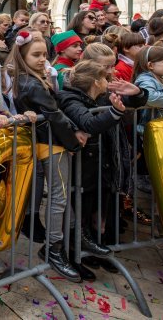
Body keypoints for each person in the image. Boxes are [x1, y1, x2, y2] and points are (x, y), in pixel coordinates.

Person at [9, 34, 87, 282]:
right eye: (36, 55)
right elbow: (54, 115)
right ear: (22, 56)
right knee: (58, 197)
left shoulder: (33, 78)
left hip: (51, 141)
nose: (43, 59)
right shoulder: (30, 83)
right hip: (50, 143)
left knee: (60, 195)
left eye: (44, 54)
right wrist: (74, 140)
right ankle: (54, 249)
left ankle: (61, 243)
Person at [58, 61, 146, 279]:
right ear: (96, 81)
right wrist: (115, 112)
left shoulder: (102, 96)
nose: (110, 80)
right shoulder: (70, 97)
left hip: (104, 164)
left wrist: (137, 93)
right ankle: (73, 257)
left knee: (99, 215)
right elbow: (88, 123)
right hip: (83, 168)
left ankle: (91, 253)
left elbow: (132, 102)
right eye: (105, 78)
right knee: (81, 216)